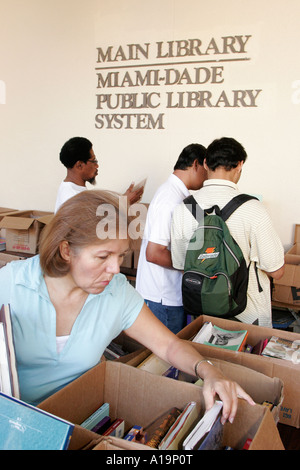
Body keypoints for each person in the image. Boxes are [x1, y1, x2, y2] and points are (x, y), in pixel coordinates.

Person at [0, 190, 254, 424]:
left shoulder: (117, 292)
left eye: (120, 256)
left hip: (80, 420)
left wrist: (210, 372)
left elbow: (168, 345)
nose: (115, 269)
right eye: (103, 257)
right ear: (66, 250)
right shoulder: (12, 284)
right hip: (15, 422)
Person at [171, 137, 285, 328]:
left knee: (203, 357)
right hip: (248, 316)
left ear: (205, 163)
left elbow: (181, 264)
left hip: (202, 313)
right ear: (240, 165)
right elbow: (277, 271)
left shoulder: (184, 208)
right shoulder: (253, 209)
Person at [136, 144, 207, 334]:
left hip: (169, 295)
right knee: (164, 360)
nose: (207, 177)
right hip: (162, 298)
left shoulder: (181, 195)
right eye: (206, 170)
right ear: (195, 164)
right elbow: (154, 253)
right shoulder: (170, 198)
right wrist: (193, 267)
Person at [54, 136, 144, 212]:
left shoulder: (70, 189)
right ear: (80, 165)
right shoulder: (73, 197)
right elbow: (97, 225)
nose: (97, 165)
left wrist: (123, 200)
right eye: (94, 161)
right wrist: (125, 202)